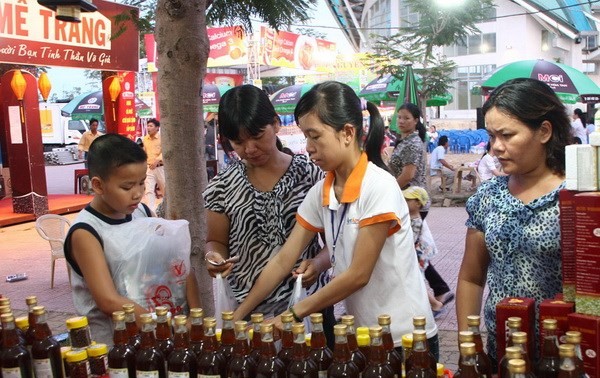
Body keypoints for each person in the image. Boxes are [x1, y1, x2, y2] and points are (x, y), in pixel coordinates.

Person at [232, 81, 438, 355]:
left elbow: (358, 275)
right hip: (364, 337)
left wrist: (292, 315)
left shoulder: (379, 186)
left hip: (406, 338)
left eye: (315, 136)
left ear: (347, 133)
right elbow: (283, 259)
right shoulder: (322, 192)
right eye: (305, 137)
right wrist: (239, 314)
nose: (308, 147)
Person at [202, 84, 335, 344]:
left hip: (307, 306)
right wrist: (214, 257)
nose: (249, 148)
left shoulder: (311, 175)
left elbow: (335, 239)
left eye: (257, 136)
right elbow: (216, 240)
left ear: (275, 124)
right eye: (238, 142)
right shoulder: (222, 186)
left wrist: (318, 264)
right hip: (247, 311)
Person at [456, 78, 571, 367]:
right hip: (502, 352)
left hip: (564, 356)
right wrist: (468, 343)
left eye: (507, 135)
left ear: (544, 131)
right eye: (492, 136)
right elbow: (471, 277)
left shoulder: (577, 199)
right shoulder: (488, 196)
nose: (495, 147)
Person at [64, 134, 201, 345]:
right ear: (98, 186)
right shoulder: (86, 232)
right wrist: (166, 326)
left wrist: (194, 315)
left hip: (155, 336)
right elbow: (108, 300)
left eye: (141, 183)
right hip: (112, 345)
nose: (137, 194)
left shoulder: (143, 213)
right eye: (127, 187)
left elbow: (178, 264)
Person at [402, 186, 445, 316]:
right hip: (414, 254)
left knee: (415, 281)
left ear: (418, 203)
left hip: (416, 256)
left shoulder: (415, 221)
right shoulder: (410, 218)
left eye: (407, 200)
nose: (403, 202)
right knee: (413, 281)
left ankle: (435, 304)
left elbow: (409, 241)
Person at [387, 103, 427, 189]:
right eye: (399, 117)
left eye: (406, 118)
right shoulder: (404, 141)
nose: (401, 121)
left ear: (415, 121)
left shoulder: (412, 143)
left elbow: (407, 176)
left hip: (410, 197)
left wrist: (390, 191)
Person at [142, 118, 165, 211]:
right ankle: (150, 211)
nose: (148, 128)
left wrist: (157, 161)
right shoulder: (145, 139)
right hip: (149, 168)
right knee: (148, 190)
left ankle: (166, 209)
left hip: (160, 168)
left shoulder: (162, 138)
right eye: (148, 126)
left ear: (157, 128)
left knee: (165, 190)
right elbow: (145, 153)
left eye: (151, 126)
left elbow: (165, 152)